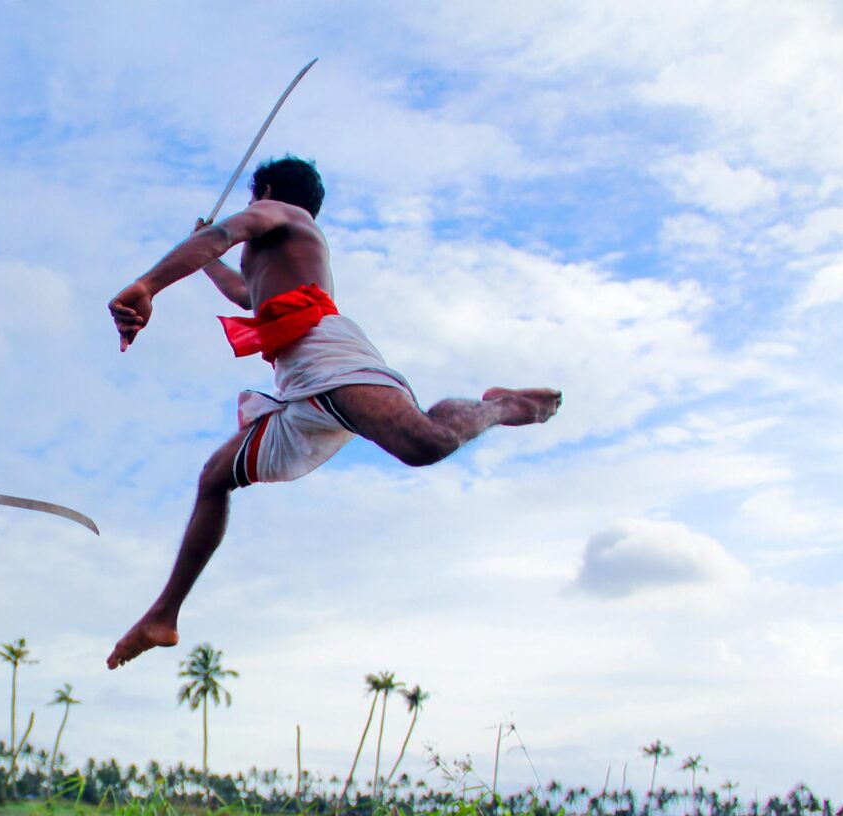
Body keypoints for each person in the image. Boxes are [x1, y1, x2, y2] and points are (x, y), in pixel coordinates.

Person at [106, 157, 561, 669]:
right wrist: (208, 259)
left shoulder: (283, 214)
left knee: (424, 443)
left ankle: (503, 405)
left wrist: (149, 285)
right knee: (215, 477)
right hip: (297, 384)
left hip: (325, 353)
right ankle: (163, 615)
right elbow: (241, 288)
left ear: (269, 193)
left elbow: (222, 236)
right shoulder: (278, 254)